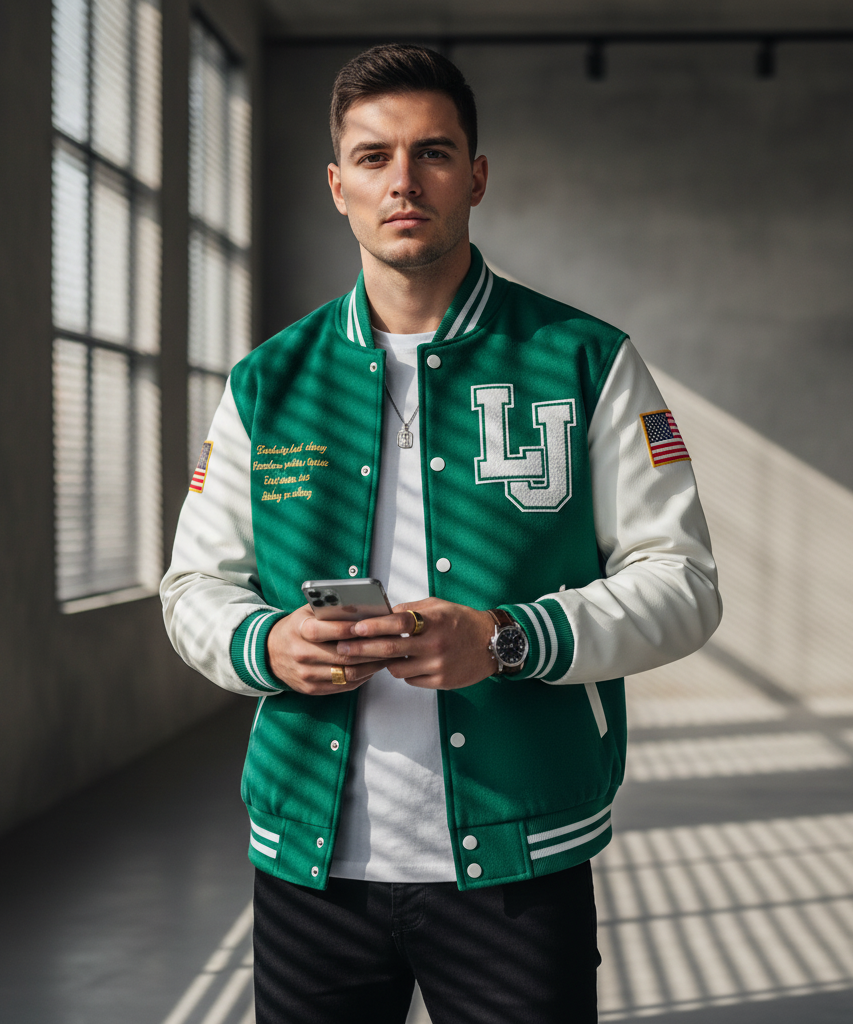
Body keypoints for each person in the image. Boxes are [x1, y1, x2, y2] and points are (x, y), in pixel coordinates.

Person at [161, 43, 721, 1024]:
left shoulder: (586, 360)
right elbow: (194, 587)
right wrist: (266, 642)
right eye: (373, 157)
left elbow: (680, 581)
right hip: (308, 864)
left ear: (476, 175)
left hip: (520, 853)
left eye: (432, 151)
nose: (402, 180)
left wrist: (507, 637)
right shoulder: (268, 382)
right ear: (336, 186)